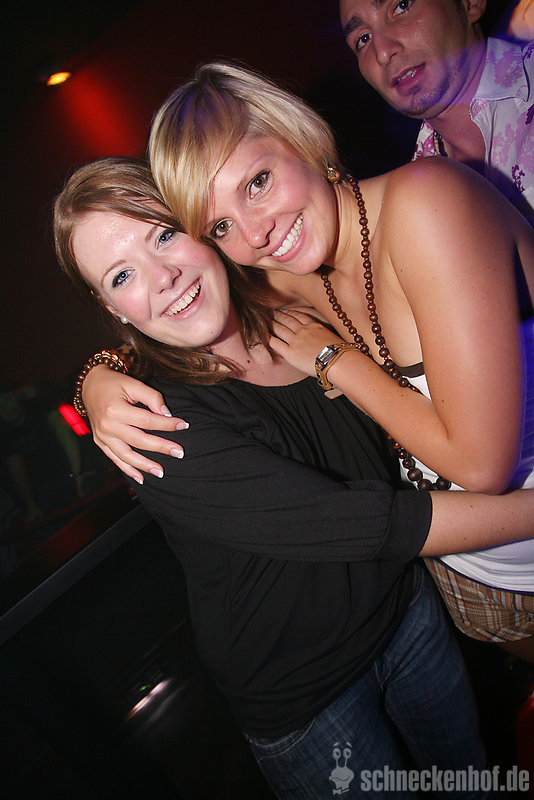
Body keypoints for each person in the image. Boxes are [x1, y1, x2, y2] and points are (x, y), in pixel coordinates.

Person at [55, 155, 534, 799]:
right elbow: (370, 523)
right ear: (110, 306)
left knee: (473, 781)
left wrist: (94, 372)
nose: (162, 277)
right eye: (122, 275)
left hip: (407, 614)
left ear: (203, 226)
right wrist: (97, 378)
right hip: (309, 695)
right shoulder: (155, 421)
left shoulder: (293, 305)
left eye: (164, 235)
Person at [80, 63, 534, 661]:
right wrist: (97, 375)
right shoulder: (286, 279)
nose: (256, 234)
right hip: (473, 581)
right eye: (221, 225)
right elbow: (179, 310)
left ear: (298, 136)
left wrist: (334, 360)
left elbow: (481, 465)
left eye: (257, 182)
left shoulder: (431, 202)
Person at [338, 0, 534, 224]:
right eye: (363, 39)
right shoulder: (418, 206)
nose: (382, 53)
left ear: (470, 4)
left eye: (401, 6)